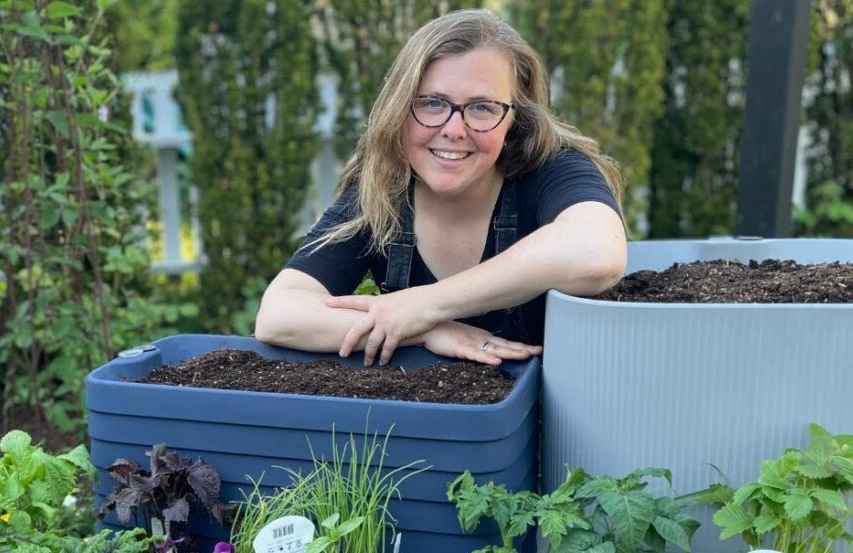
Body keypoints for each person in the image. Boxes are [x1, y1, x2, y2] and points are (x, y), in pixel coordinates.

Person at [254, 9, 626, 368]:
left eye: (482, 108)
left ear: (515, 117)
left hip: (560, 421)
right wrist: (425, 330)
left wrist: (422, 306)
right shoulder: (382, 193)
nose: (453, 128)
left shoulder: (551, 170)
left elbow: (597, 252)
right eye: (432, 103)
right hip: (430, 425)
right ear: (399, 109)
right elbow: (280, 314)